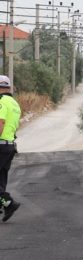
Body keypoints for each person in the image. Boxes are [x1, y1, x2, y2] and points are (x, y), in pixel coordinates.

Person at [0, 75, 21, 222]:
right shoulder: (14, 103)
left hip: (0, 144)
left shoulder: (1, 101)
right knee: (1, 180)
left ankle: (9, 203)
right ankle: (7, 205)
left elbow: (0, 123)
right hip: (9, 146)